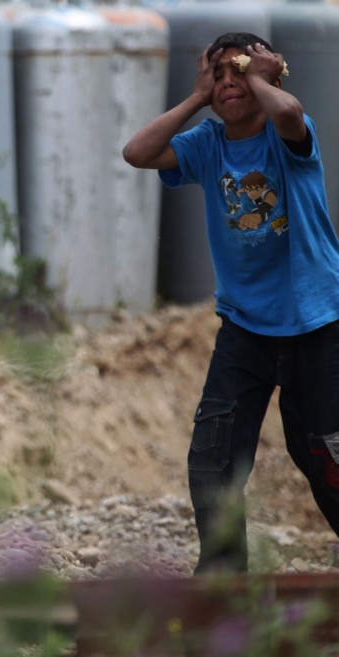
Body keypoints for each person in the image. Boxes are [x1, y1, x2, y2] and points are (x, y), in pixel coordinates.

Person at [123, 32, 339, 574]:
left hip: (318, 323)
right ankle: (222, 579)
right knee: (213, 459)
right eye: (217, 74)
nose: (227, 83)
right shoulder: (206, 144)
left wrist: (262, 77)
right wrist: (197, 98)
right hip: (245, 328)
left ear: (268, 78)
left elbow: (288, 110)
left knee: (325, 455)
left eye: (238, 71)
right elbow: (137, 152)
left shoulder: (292, 133)